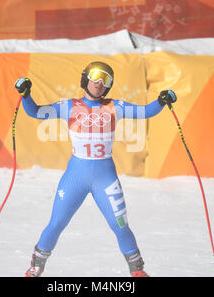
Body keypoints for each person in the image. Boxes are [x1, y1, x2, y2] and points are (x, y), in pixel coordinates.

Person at [14, 61, 177, 277]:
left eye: (106, 79)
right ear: (85, 79)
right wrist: (26, 95)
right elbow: (35, 112)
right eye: (96, 76)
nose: (100, 83)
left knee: (120, 226)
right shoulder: (69, 106)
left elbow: (146, 112)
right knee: (56, 223)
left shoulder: (114, 107)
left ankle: (137, 271)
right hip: (76, 176)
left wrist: (162, 100)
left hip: (105, 177)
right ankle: (36, 266)